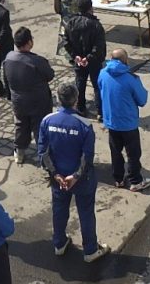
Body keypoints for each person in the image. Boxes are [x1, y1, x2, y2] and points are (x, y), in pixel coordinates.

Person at [37, 82, 110, 263]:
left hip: (58, 178)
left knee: (59, 209)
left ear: (58, 99)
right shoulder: (84, 124)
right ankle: (90, 250)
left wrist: (55, 174)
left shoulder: (47, 120)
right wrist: (76, 176)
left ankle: (59, 243)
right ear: (76, 100)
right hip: (81, 179)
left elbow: (42, 152)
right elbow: (87, 156)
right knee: (86, 212)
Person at [98, 49, 150, 192]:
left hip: (111, 121)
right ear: (125, 60)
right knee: (133, 154)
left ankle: (118, 179)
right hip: (128, 123)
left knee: (115, 151)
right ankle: (135, 181)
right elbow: (142, 100)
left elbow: (100, 89)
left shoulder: (103, 73)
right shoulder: (131, 79)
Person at [2, 27, 54, 164]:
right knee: (40, 129)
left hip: (18, 101)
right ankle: (44, 157)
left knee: (21, 125)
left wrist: (10, 96)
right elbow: (50, 75)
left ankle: (19, 153)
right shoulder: (37, 61)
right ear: (29, 42)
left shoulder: (8, 58)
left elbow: (6, 79)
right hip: (38, 102)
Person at [61, 0, 106, 119]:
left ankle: (80, 108)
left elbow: (65, 41)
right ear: (91, 8)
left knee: (80, 84)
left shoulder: (71, 23)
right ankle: (100, 111)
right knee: (97, 85)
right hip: (94, 61)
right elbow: (99, 46)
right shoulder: (96, 25)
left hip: (78, 61)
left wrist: (75, 56)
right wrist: (89, 58)